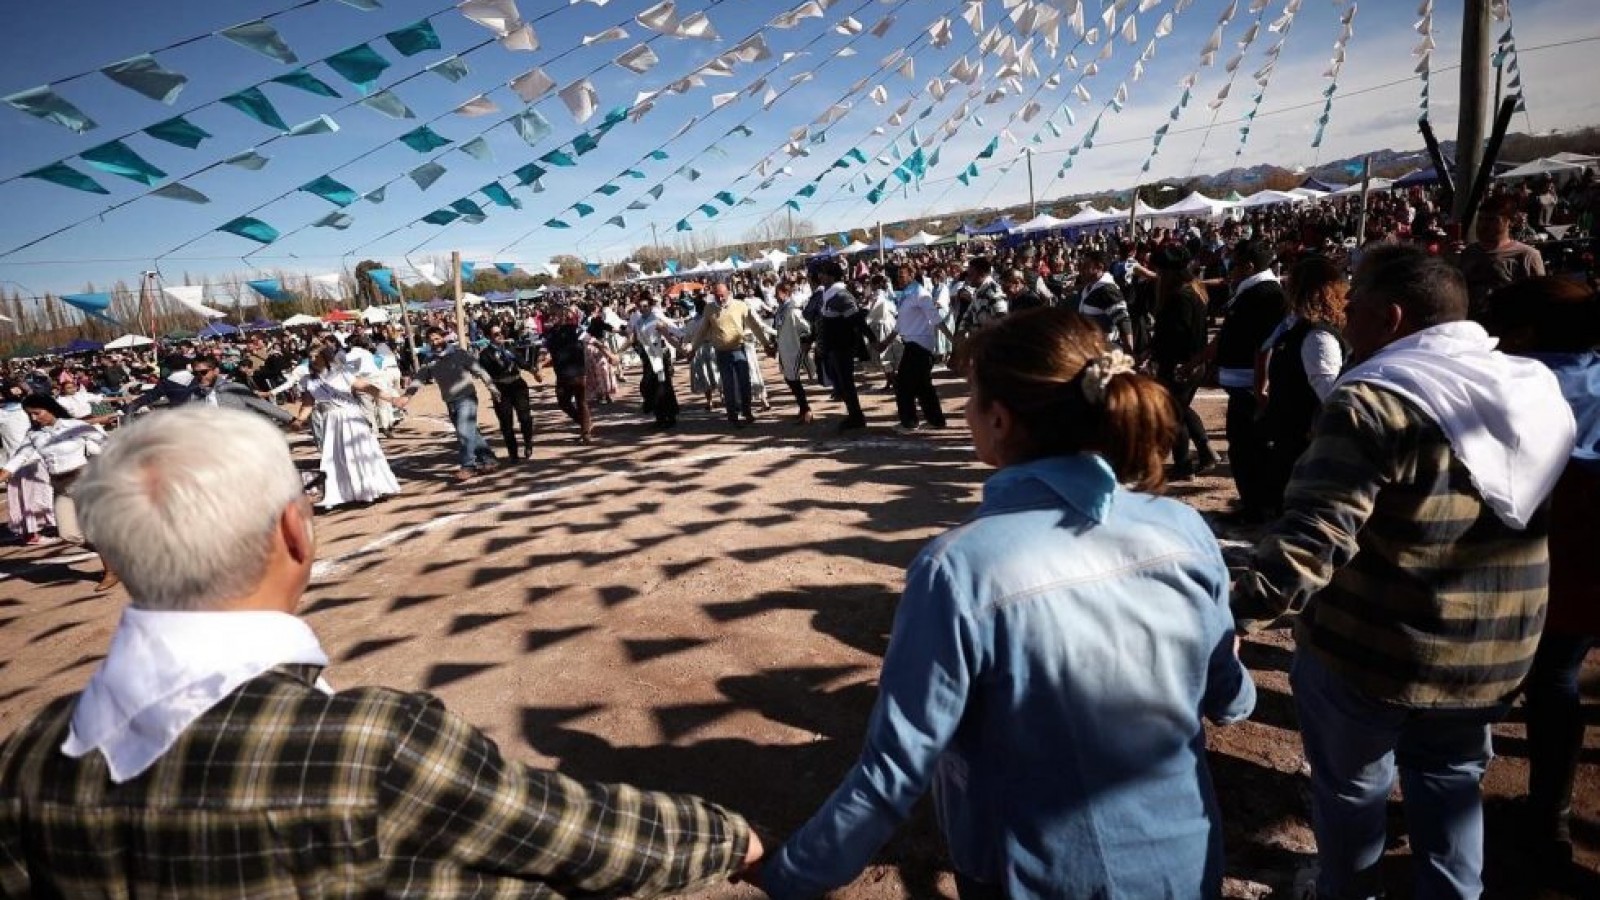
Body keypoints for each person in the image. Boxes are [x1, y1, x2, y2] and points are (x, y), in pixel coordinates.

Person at [0, 405, 762, 896]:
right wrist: (731, 838)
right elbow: (586, 837)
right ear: (296, 531)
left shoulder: (22, 758)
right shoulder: (371, 747)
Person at [761, 308, 1254, 900]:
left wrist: (791, 871)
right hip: (1182, 856)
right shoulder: (1182, 526)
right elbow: (1231, 694)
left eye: (971, 397)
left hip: (1034, 873)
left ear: (999, 420)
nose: (966, 412)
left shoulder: (958, 569)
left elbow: (895, 767)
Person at [1232, 248, 1575, 900]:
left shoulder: (1373, 401)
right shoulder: (1527, 387)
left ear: (1388, 317)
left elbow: (1312, 541)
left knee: (1352, 790)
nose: (1343, 315)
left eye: (1353, 306)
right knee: (1451, 780)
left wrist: (1235, 611)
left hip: (1375, 655)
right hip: (1491, 653)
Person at [1485, 276, 1600, 884]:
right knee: (1557, 681)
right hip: (1584, 570)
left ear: (1525, 332)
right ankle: (1548, 815)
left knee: (1500, 680)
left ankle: (1459, 796)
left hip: (1520, 559)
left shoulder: (1515, 386)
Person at [1203, 240, 1289, 525]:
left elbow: (1265, 345)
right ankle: (1252, 504)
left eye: (1234, 264)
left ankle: (1260, 508)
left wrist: (1260, 385)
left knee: (1252, 449)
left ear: (1248, 267)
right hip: (1239, 384)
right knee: (1242, 447)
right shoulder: (1250, 292)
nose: (1230, 270)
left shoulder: (1267, 294)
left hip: (1251, 387)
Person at [1256, 255, 1349, 511]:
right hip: (1288, 436)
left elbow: (1331, 394)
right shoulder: (1294, 326)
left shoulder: (1317, 336)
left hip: (1303, 444)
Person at [0, 394, 116, 591]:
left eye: (37, 413)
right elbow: (17, 459)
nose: (34, 418)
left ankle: (111, 570)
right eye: (30, 415)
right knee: (69, 534)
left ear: (50, 408)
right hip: (60, 487)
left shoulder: (75, 427)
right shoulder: (33, 435)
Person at [291, 346, 404, 510]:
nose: (313, 360)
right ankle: (347, 492)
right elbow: (308, 403)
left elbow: (367, 387)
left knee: (362, 452)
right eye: (310, 357)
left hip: (351, 416)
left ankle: (370, 490)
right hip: (332, 420)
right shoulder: (309, 381)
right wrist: (300, 420)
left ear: (325, 357)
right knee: (338, 457)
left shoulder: (342, 374)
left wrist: (392, 399)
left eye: (316, 356)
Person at [1148, 244, 1217, 481]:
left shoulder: (1178, 297)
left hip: (1179, 364)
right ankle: (1205, 450)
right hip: (1193, 363)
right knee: (1181, 409)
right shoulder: (1196, 291)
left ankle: (1184, 463)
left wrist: (1154, 355)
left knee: (1172, 413)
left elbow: (1174, 334)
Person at [414, 326, 501, 481]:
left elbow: (479, 370)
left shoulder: (459, 354)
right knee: (470, 431)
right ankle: (489, 460)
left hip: (467, 397)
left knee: (463, 431)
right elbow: (419, 379)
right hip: (450, 401)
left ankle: (468, 466)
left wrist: (492, 388)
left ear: (444, 337)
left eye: (437, 338)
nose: (435, 342)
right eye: (431, 340)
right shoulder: (429, 360)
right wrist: (406, 396)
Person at [882, 260, 949, 432]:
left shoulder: (921, 294)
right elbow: (899, 324)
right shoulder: (906, 295)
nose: (899, 279)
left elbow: (935, 319)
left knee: (904, 385)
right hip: (912, 343)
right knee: (923, 386)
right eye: (898, 276)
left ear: (912, 276)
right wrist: (886, 342)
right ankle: (936, 420)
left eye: (902, 276)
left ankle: (910, 422)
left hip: (920, 345)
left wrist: (952, 338)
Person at [693, 282, 771, 427]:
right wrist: (693, 349)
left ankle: (747, 411)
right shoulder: (709, 309)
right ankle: (732, 416)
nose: (720, 298)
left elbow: (754, 325)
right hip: (722, 353)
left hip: (739, 349)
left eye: (722, 295)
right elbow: (702, 331)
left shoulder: (740, 305)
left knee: (744, 383)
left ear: (728, 292)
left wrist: (766, 343)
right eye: (716, 296)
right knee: (727, 385)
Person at [1458, 199, 1545, 321]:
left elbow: (1540, 300)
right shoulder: (1468, 253)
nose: (1483, 225)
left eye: (1491, 220)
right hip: (1472, 328)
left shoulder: (1527, 255)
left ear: (1510, 222)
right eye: (1480, 219)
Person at [815, 260, 876, 431]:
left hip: (842, 346)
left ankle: (856, 417)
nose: (821, 276)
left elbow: (857, 320)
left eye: (824, 273)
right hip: (833, 347)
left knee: (846, 383)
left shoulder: (842, 296)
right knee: (841, 383)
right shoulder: (828, 294)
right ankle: (854, 415)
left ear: (832, 276)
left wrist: (872, 339)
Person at [1, 380, 53, 544]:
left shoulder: (21, 411)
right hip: (23, 461)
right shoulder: (16, 412)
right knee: (31, 497)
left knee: (34, 495)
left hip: (26, 459)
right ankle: (32, 534)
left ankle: (37, 528)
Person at [478, 325, 538, 461]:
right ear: (489, 338)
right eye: (496, 334)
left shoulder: (510, 348)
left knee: (525, 417)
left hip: (518, 385)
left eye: (501, 332)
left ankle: (528, 443)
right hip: (501, 388)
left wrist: (534, 371)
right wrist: (492, 389)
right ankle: (513, 453)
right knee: (506, 422)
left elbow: (523, 363)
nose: (500, 335)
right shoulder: (485, 355)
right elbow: (486, 374)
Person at [541, 306, 597, 443]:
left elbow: (593, 340)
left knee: (581, 402)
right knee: (563, 402)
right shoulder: (548, 334)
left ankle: (585, 434)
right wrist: (538, 364)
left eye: (554, 317)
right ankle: (585, 423)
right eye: (550, 317)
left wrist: (609, 354)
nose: (552, 319)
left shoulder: (575, 329)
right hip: (561, 374)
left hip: (578, 373)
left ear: (562, 317)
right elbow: (543, 350)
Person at [188, 355, 294, 426]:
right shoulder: (195, 396)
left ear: (216, 371)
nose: (199, 376)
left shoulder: (234, 388)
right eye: (195, 373)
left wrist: (292, 420)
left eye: (203, 372)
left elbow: (264, 406)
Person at [1074, 250, 1135, 354]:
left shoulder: (1107, 290)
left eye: (1086, 266)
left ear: (1100, 267)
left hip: (1106, 351)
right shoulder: (1090, 286)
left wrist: (1129, 354)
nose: (1081, 269)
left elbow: (1123, 320)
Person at [772, 280, 816, 424]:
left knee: (794, 379)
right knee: (789, 379)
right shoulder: (781, 310)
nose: (775, 296)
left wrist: (805, 343)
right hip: (784, 349)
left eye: (778, 293)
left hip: (793, 349)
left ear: (786, 293)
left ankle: (806, 410)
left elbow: (806, 328)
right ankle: (803, 408)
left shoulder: (793, 310)